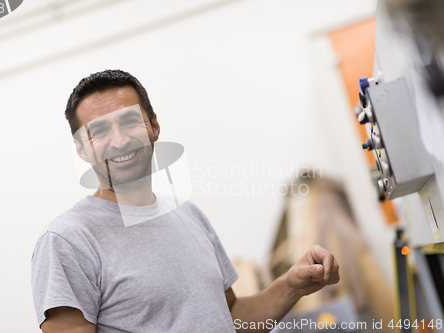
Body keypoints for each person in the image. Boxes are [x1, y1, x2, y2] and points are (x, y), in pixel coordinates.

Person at [31, 69, 340, 333]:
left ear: (153, 126)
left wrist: (290, 287)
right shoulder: (68, 241)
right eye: (99, 131)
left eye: (129, 121)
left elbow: (230, 318)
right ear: (81, 149)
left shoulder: (187, 213)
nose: (120, 140)